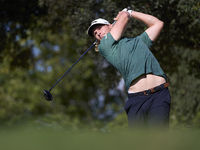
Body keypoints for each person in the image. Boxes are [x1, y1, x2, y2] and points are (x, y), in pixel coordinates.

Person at [87, 8, 171, 130]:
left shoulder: (139, 41)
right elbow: (125, 16)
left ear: (111, 25)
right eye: (95, 33)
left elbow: (158, 24)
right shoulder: (104, 46)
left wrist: (132, 12)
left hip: (159, 94)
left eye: (99, 27)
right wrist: (126, 13)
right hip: (137, 99)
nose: (98, 33)